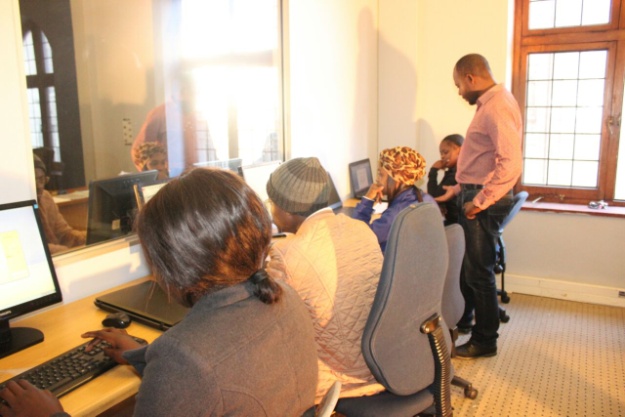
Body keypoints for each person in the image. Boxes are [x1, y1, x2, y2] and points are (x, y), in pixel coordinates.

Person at [0, 168, 318, 417]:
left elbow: (199, 368)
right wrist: (144, 354)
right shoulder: (284, 296)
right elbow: (222, 377)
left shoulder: (184, 358)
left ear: (173, 266)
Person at [266, 157, 385, 403]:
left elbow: (269, 319)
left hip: (343, 377)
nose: (270, 210)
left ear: (287, 208)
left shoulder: (287, 254)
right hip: (382, 360)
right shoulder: (360, 229)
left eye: (271, 202)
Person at [437, 53, 522, 359]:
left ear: (470, 78)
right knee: (471, 269)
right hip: (473, 193)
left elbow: (510, 163)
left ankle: (485, 341)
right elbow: (482, 160)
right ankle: (466, 322)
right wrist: (456, 189)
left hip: (482, 199)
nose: (459, 92)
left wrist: (479, 201)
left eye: (458, 85)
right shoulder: (491, 104)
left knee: (478, 274)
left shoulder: (497, 106)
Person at [352, 146, 436, 252]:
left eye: (380, 175)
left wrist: (367, 199)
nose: (377, 180)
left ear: (396, 179)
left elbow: (358, 237)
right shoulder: (426, 198)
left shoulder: (396, 215)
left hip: (391, 262)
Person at [131, 73, 217, 176]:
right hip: (173, 178)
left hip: (199, 176)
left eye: (194, 91)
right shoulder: (160, 114)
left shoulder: (199, 115)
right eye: (187, 91)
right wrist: (153, 176)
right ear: (178, 92)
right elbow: (139, 151)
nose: (192, 95)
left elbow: (210, 149)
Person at [33, 154, 86, 254]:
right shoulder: (17, 206)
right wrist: (66, 252)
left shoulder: (46, 198)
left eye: (41, 179)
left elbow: (64, 234)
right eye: (33, 180)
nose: (39, 186)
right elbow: (33, 247)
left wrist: (90, 238)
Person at [428, 134, 464, 225]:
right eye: (441, 153)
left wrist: (433, 171)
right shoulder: (452, 171)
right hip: (453, 221)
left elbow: (434, 195)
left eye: (446, 152)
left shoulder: (457, 174)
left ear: (460, 150)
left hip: (457, 223)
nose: (443, 157)